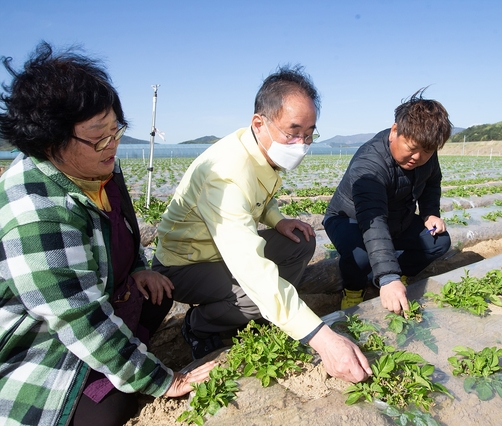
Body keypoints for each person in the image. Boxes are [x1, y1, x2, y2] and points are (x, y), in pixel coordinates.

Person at [0, 42, 216, 426]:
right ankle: (110, 370)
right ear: (52, 142)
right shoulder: (36, 214)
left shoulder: (99, 167)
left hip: (95, 301)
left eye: (116, 129)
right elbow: (80, 320)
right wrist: (164, 381)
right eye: (99, 136)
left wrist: (137, 265)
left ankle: (118, 360)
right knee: (110, 409)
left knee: (156, 291)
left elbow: (123, 226)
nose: (113, 144)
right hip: (37, 344)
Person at [152, 65, 371, 383]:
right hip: (183, 263)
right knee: (256, 293)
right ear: (260, 123)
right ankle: (199, 324)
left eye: (309, 135)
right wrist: (322, 338)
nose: (301, 144)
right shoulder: (227, 173)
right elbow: (251, 268)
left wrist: (278, 220)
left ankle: (268, 313)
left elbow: (261, 197)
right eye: (293, 132)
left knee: (302, 240)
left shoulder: (258, 147)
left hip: (219, 253)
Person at [323, 89, 453, 313]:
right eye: (412, 149)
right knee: (361, 255)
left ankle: (395, 275)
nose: (417, 158)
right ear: (395, 131)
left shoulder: (425, 152)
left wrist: (430, 213)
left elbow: (432, 183)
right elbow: (372, 222)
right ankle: (354, 288)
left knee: (439, 242)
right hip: (351, 219)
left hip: (396, 218)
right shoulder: (370, 165)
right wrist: (387, 275)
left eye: (427, 151)